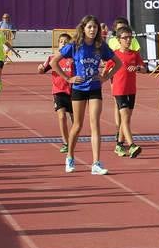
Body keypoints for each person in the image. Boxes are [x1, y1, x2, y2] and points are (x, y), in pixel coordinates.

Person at [51, 15, 122, 175]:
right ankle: (70, 156)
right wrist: (68, 78)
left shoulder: (100, 46)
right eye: (89, 27)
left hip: (95, 87)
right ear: (83, 28)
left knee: (95, 124)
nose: (92, 30)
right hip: (78, 89)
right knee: (77, 125)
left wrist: (105, 77)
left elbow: (118, 63)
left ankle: (96, 163)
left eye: (95, 27)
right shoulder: (75, 45)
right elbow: (54, 62)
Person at [107, 17, 141, 155]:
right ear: (118, 39)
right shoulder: (114, 55)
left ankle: (119, 145)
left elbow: (143, 68)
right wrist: (104, 79)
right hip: (119, 89)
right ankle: (131, 145)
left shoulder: (134, 54)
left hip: (131, 90)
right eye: (125, 38)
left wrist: (138, 68)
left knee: (126, 117)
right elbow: (107, 70)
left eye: (130, 37)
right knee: (125, 117)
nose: (128, 40)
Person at [39, 33, 74, 154]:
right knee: (62, 116)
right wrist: (40, 69)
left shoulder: (74, 58)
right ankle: (66, 142)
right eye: (61, 41)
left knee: (75, 121)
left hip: (73, 92)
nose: (63, 43)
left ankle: (73, 139)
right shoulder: (52, 58)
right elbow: (42, 70)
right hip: (58, 91)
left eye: (66, 41)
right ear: (58, 44)